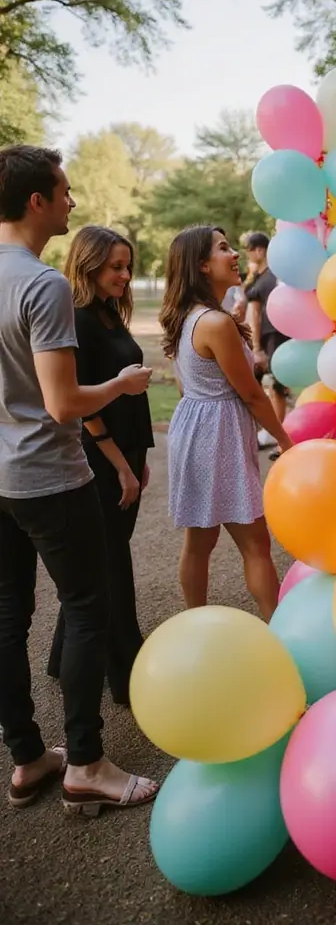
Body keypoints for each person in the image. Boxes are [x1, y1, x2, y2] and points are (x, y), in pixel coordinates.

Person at [0, 145, 158, 814]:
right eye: (64, 191)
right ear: (36, 201)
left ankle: (28, 758)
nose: (71, 200)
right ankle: (87, 764)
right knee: (88, 609)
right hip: (48, 476)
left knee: (8, 616)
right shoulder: (43, 285)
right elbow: (64, 403)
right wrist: (121, 384)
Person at [160, 225, 293, 620]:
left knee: (199, 541)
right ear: (202, 265)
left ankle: (194, 623)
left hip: (194, 425)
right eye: (223, 248)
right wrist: (285, 441)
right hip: (217, 432)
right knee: (255, 544)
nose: (234, 254)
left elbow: (186, 385)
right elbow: (251, 394)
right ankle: (277, 628)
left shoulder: (187, 317)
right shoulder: (215, 324)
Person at [46, 226, 154, 705]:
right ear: (89, 266)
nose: (125, 276)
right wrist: (122, 467)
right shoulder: (78, 320)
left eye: (128, 267)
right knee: (112, 563)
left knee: (106, 555)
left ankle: (60, 656)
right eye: (116, 267)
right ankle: (128, 674)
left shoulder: (110, 313)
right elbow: (84, 407)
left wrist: (139, 457)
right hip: (102, 457)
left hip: (128, 451)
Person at [243, 232, 290, 458]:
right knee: (260, 385)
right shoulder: (259, 277)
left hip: (273, 336)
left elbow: (256, 315)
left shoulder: (273, 277)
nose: (248, 255)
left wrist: (257, 347)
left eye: (249, 250)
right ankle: (268, 432)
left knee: (276, 386)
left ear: (259, 250)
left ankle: (277, 436)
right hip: (264, 336)